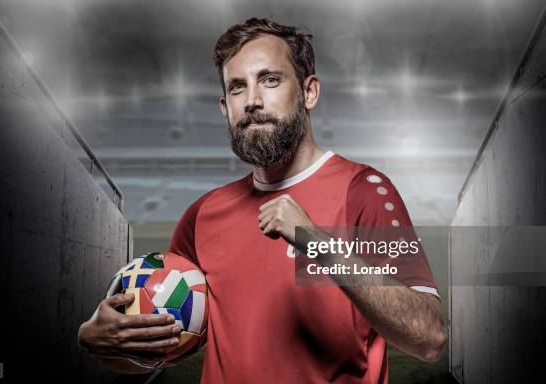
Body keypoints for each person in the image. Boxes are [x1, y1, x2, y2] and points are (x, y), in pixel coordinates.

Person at [78, 17, 447, 383]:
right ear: (225, 108)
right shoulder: (202, 215)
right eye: (237, 87)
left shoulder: (363, 190)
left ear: (309, 92)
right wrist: (104, 343)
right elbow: (168, 349)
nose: (252, 100)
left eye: (270, 80)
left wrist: (318, 243)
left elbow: (429, 338)